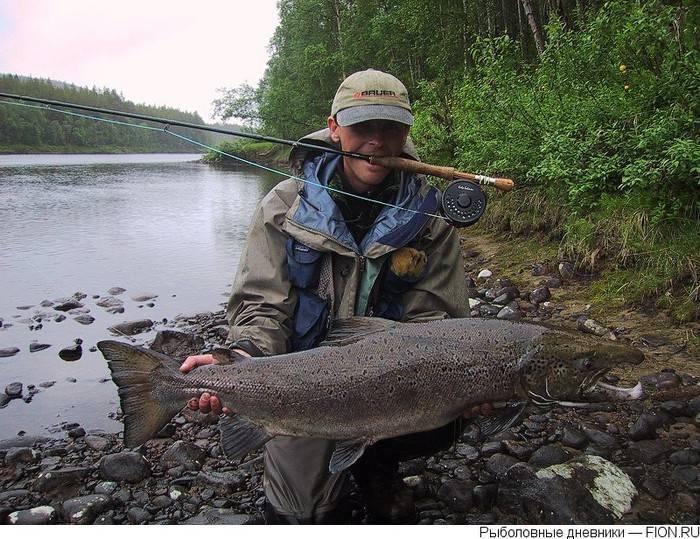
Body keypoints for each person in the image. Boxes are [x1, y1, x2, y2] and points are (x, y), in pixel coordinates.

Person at [180, 69, 489, 524]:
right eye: (363, 127)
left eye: (392, 128)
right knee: (302, 516)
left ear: (407, 132)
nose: (377, 142)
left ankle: (377, 463)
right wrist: (238, 357)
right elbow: (263, 304)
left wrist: (469, 380)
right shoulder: (285, 206)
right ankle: (330, 460)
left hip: (393, 384)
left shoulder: (431, 218)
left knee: (453, 407)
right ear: (333, 127)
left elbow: (436, 324)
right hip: (303, 384)